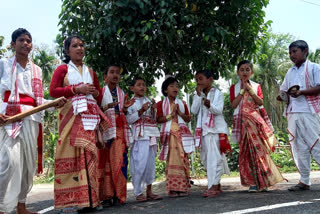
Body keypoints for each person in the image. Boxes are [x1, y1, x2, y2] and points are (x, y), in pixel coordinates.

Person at [0, 28, 65, 214]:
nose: (26, 43)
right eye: (21, 40)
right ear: (13, 44)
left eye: (29, 40)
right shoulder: (3, 64)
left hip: (31, 118)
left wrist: (54, 103)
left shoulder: (36, 69)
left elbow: (38, 101)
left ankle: (21, 206)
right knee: (8, 163)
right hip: (10, 118)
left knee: (28, 166)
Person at [49, 35, 103, 212]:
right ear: (67, 51)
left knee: (89, 156)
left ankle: (90, 200)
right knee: (71, 156)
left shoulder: (91, 71)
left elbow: (99, 95)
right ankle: (73, 201)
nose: (79, 48)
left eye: (82, 45)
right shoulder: (62, 69)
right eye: (74, 46)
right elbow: (53, 91)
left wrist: (94, 93)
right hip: (70, 120)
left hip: (88, 121)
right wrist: (76, 89)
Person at [230, 60, 284, 192]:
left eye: (247, 69)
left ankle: (264, 181)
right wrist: (242, 91)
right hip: (243, 124)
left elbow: (260, 102)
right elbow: (233, 104)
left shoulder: (256, 86)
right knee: (247, 152)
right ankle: (253, 182)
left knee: (260, 151)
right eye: (242, 69)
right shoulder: (234, 88)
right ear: (238, 72)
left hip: (255, 122)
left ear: (251, 72)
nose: (244, 72)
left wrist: (250, 90)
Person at [278, 40, 320, 191]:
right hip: (293, 112)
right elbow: (283, 91)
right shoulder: (290, 72)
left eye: (294, 51)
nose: (291, 55)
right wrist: (282, 96)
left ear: (305, 51)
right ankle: (304, 180)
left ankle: (305, 180)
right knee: (299, 147)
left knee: (315, 144)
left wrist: (301, 92)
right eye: (290, 53)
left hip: (309, 111)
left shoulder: (315, 67)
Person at [97, 65, 135, 206]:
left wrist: (124, 108)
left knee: (119, 162)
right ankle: (106, 196)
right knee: (105, 163)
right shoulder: (100, 93)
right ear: (105, 76)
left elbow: (123, 112)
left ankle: (119, 195)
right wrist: (107, 107)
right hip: (105, 131)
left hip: (119, 131)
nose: (115, 75)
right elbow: (95, 111)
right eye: (112, 72)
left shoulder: (122, 94)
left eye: (117, 73)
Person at [191, 70, 231, 197]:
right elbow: (194, 110)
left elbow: (218, 110)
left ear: (210, 80)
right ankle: (216, 185)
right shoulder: (197, 94)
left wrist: (209, 105)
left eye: (201, 79)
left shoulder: (217, 93)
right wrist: (198, 96)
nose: (198, 82)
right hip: (204, 130)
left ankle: (213, 186)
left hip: (215, 130)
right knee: (206, 159)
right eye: (197, 79)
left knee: (214, 159)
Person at [156, 76, 194, 197]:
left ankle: (182, 188)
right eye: (172, 86)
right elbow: (158, 119)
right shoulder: (160, 104)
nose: (175, 88)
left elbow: (188, 118)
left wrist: (179, 113)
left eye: (177, 86)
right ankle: (173, 189)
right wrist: (171, 115)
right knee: (172, 159)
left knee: (183, 159)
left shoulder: (182, 103)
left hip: (182, 134)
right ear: (165, 90)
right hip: (170, 134)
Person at [126, 77, 162, 202]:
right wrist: (141, 110)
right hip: (140, 137)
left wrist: (153, 110)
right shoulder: (130, 102)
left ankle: (149, 191)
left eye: (143, 85)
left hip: (150, 135)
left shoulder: (149, 100)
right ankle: (138, 192)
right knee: (139, 164)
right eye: (139, 84)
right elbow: (129, 120)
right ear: (132, 88)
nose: (142, 87)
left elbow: (154, 118)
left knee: (150, 164)